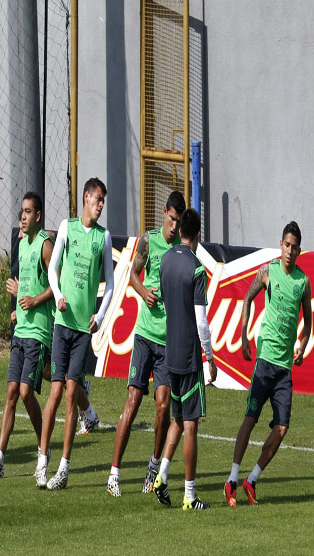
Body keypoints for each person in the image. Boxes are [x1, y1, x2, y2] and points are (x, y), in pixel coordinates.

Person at [224, 221, 311, 506]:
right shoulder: (268, 271)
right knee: (250, 419)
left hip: (284, 368)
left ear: (299, 250)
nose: (289, 250)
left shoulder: (303, 282)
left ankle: (252, 480)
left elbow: (308, 324)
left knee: (282, 427)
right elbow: (247, 298)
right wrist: (245, 335)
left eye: (294, 246)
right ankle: (232, 479)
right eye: (286, 245)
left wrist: (301, 344)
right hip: (264, 362)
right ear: (281, 245)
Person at [37, 177, 114, 490]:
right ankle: (42, 460)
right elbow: (52, 269)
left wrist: (101, 315)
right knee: (55, 393)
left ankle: (64, 469)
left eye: (102, 202)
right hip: (62, 324)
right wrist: (56, 295)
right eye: (97, 200)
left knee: (71, 394)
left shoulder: (103, 237)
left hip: (83, 329)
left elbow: (109, 283)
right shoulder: (66, 228)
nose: (100, 206)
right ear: (86, 197)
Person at [107, 191, 185, 497]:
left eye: (178, 222)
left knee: (163, 406)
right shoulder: (148, 241)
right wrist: (143, 292)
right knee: (133, 401)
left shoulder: (183, 250)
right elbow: (132, 275)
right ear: (164, 212)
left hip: (168, 344)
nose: (174, 227)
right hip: (144, 337)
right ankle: (114, 472)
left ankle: (153, 467)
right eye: (171, 219)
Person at [0, 192, 52, 478]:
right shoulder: (22, 244)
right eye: (21, 211)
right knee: (11, 393)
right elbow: (28, 284)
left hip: (38, 330)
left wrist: (34, 301)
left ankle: (43, 451)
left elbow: (55, 287)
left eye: (27, 212)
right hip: (21, 327)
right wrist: (18, 303)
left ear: (37, 216)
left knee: (25, 392)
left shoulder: (46, 246)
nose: (22, 216)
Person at [152, 207, 217, 510]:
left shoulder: (165, 260)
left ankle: (161, 475)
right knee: (190, 424)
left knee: (176, 419)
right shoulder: (197, 269)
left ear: (179, 231)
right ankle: (190, 496)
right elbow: (201, 321)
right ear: (198, 235)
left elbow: (167, 301)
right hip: (190, 357)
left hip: (169, 353)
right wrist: (210, 358)